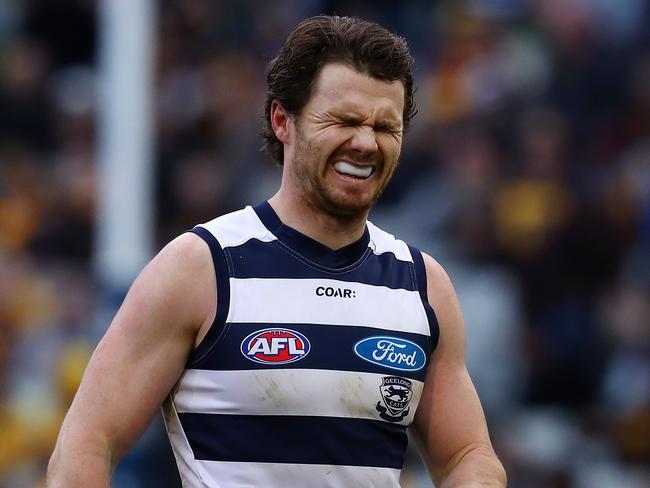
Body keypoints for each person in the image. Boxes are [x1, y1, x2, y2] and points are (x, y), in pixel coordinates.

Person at [47, 15, 507, 487]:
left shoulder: (422, 284)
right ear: (282, 120)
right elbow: (86, 443)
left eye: (385, 127)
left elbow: (467, 455)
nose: (366, 143)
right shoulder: (202, 267)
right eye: (344, 120)